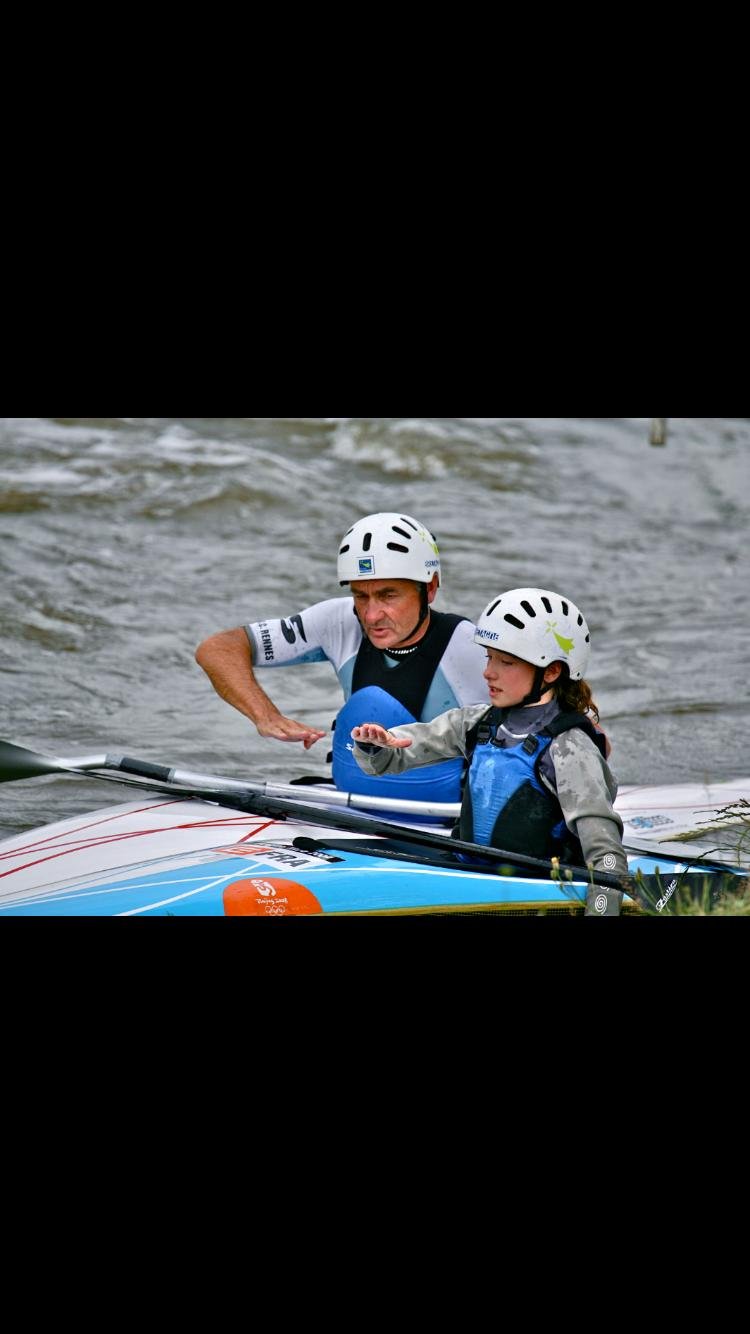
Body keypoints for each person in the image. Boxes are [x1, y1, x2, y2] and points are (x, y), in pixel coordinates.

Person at [350, 587, 627, 909]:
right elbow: (391, 760)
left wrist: (603, 908)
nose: (488, 672)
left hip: (532, 892)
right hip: (467, 873)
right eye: (489, 657)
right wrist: (376, 745)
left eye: (506, 662)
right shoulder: (477, 723)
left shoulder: (570, 749)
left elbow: (606, 857)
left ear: (551, 671)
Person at [194, 512, 490, 802]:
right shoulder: (336, 621)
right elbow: (218, 648)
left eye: (388, 595)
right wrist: (266, 715)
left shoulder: (471, 646)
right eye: (361, 595)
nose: (371, 615)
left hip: (444, 816)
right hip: (355, 800)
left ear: (430, 588)